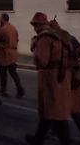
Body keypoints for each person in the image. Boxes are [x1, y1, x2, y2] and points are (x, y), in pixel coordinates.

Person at [25, 12, 72, 145]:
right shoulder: (63, 35)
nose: (34, 28)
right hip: (63, 75)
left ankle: (65, 141)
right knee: (54, 109)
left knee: (53, 110)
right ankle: (38, 138)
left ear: (40, 25)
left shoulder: (44, 38)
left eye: (35, 25)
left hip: (50, 76)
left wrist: (33, 46)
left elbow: (42, 61)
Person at [49, 17, 80, 145]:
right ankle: (55, 130)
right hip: (72, 76)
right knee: (71, 108)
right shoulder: (70, 37)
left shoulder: (53, 39)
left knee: (61, 107)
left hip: (61, 76)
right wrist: (77, 61)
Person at [0, 13, 25, 98]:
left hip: (5, 52)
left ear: (3, 19)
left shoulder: (3, 29)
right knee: (13, 72)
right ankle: (20, 89)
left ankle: (3, 89)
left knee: (3, 72)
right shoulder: (13, 28)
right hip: (13, 52)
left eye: (0, 18)